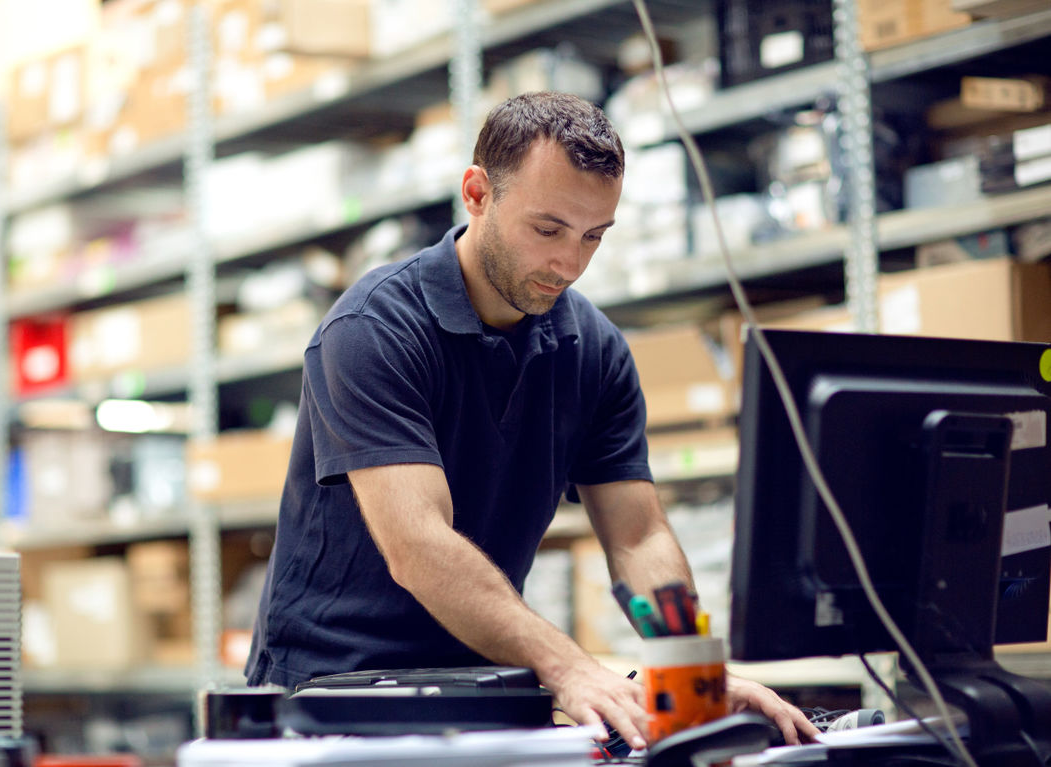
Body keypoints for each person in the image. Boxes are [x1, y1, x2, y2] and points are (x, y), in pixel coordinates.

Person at [246, 91, 819, 749]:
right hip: (333, 698)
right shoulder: (372, 329)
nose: (569, 265)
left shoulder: (594, 350)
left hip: (486, 686)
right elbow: (417, 545)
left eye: (593, 237)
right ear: (477, 193)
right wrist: (566, 664)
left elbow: (637, 538)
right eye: (547, 230)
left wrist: (690, 673)